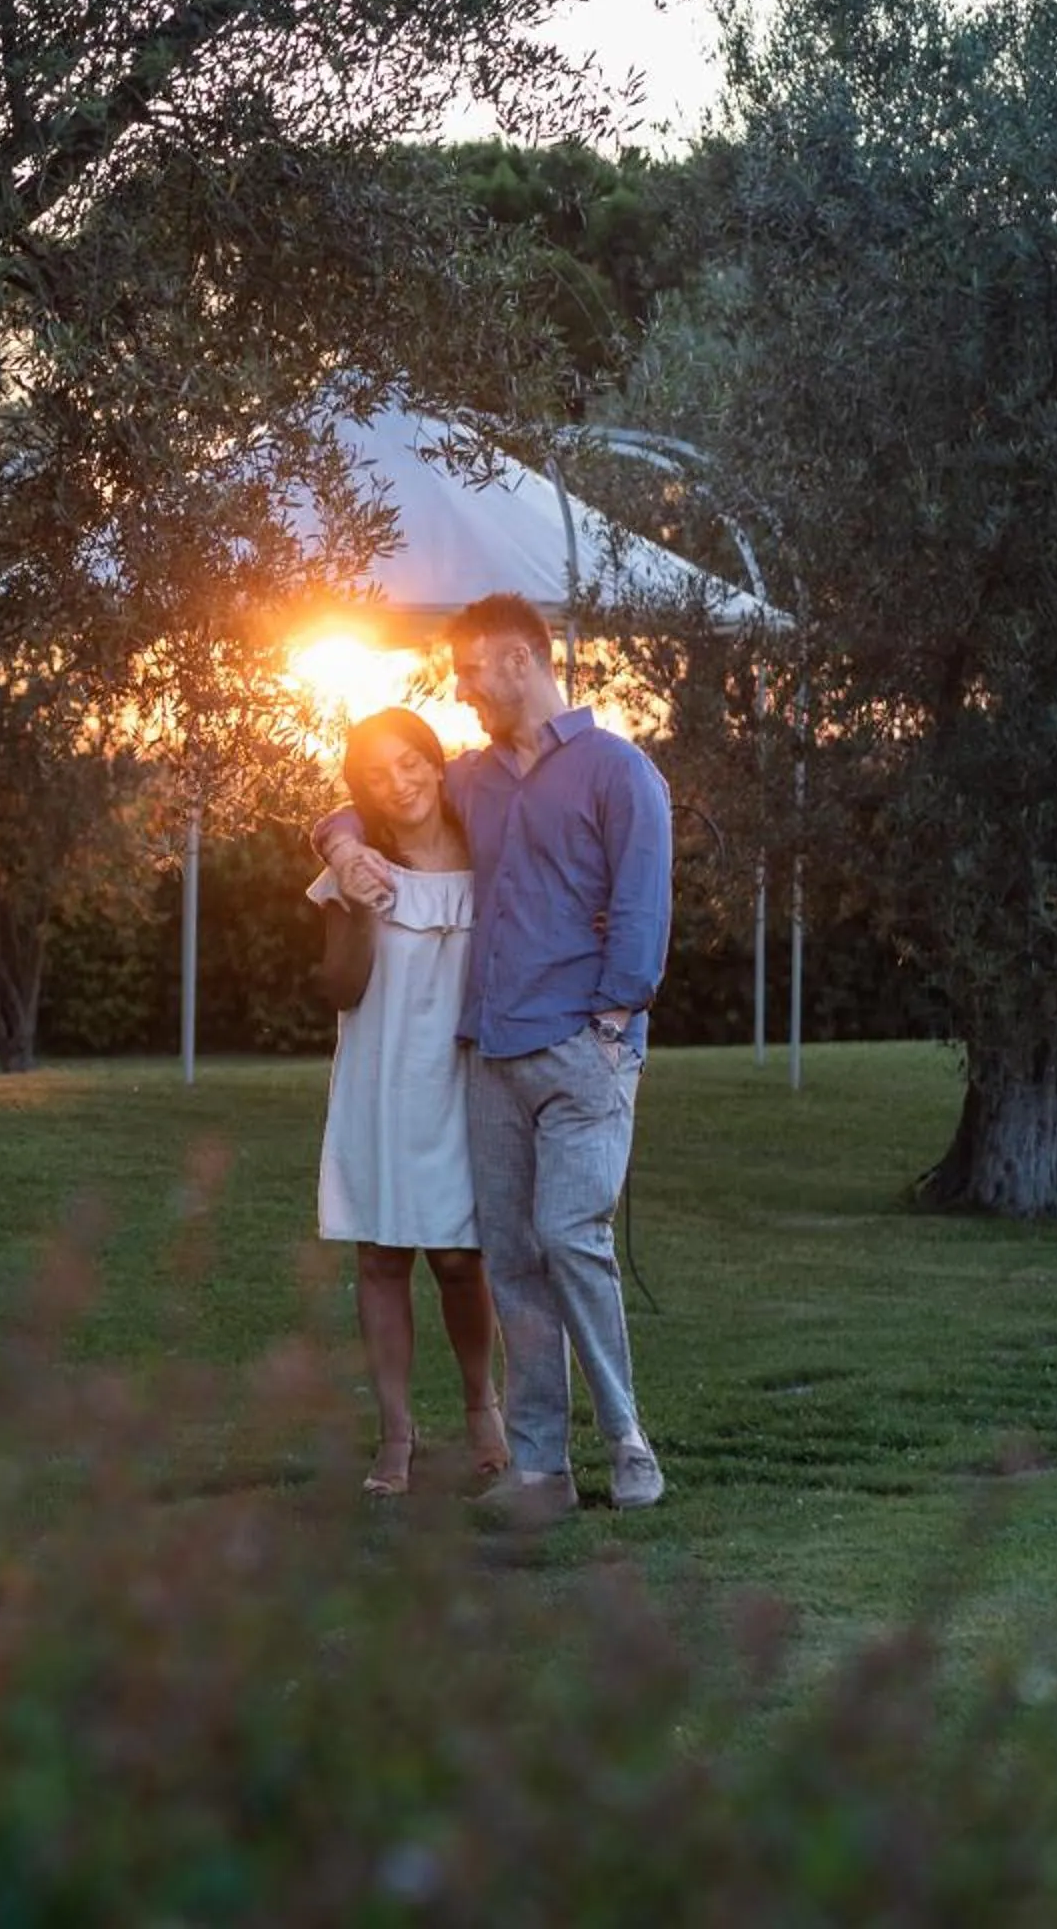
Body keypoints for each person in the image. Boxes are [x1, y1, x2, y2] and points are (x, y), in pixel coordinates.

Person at [318, 594, 673, 1520]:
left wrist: (610, 1023)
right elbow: (362, 800)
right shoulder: (476, 782)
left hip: (584, 1052)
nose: (464, 692)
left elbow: (641, 914)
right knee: (511, 1261)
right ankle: (539, 1470)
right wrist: (341, 839)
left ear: (519, 660)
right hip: (489, 1056)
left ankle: (628, 1440)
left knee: (569, 1239)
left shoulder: (618, 771)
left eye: (473, 673)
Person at [310, 708, 511, 1498]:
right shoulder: (357, 870)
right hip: (381, 1078)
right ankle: (395, 1431)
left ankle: (481, 1408)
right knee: (381, 1255)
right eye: (376, 776)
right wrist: (358, 904)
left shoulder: (490, 853)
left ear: (436, 763)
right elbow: (340, 988)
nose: (398, 786)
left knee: (462, 1257)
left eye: (410, 764)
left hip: (464, 1080)